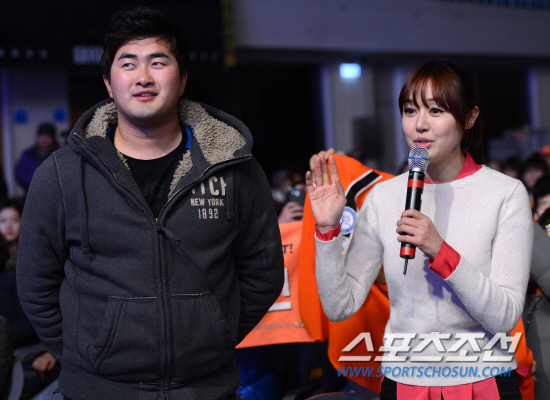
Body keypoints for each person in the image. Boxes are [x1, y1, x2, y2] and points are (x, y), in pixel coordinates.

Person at [17, 6, 284, 400]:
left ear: (183, 78)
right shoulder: (61, 174)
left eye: (158, 62)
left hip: (206, 390)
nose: (143, 76)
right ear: (109, 83)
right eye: (128, 64)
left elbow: (263, 273)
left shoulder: (233, 168)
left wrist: (215, 333)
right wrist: (86, 354)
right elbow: (35, 285)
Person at [307, 60, 533, 399]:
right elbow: (340, 307)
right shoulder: (384, 196)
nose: (420, 125)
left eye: (436, 111)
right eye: (410, 111)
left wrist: (442, 252)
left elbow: (504, 317)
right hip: (404, 382)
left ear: (469, 118)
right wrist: (327, 230)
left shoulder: (505, 193)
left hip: (484, 381)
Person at [0, 200, 60, 396]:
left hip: (33, 347)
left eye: (14, 220)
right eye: (3, 221)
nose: (8, 226)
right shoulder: (4, 267)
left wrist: (49, 351)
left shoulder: (34, 257)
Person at [15, 122, 59, 192]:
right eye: (42, 135)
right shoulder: (28, 154)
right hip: (30, 192)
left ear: (53, 138)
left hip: (54, 193)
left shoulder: (58, 155)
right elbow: (20, 174)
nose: (44, 139)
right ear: (37, 137)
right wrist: (34, 182)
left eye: (48, 136)